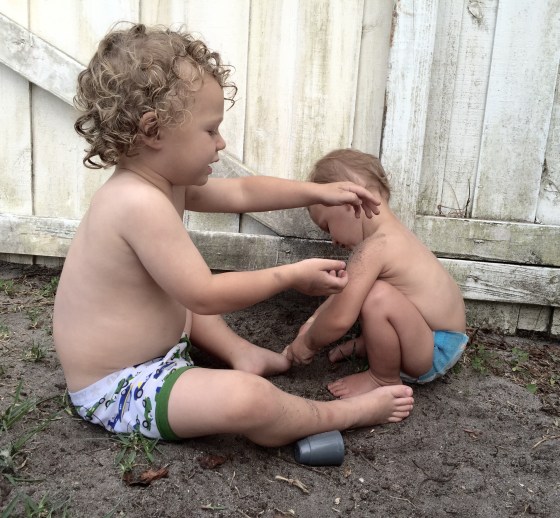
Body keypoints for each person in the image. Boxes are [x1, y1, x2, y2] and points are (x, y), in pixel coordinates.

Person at [53, 24, 414, 447]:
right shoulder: (136, 202)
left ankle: (239, 351)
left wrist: (317, 191)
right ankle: (347, 413)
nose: (221, 142)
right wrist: (290, 275)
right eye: (210, 130)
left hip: (161, 352)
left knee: (178, 290)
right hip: (122, 385)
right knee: (248, 399)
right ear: (153, 131)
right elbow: (204, 295)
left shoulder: (163, 184)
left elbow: (244, 192)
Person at [283, 149, 467, 398]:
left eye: (327, 226)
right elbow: (342, 294)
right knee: (367, 293)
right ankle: (373, 346)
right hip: (434, 337)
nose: (332, 240)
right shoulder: (394, 237)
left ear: (351, 202)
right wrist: (312, 323)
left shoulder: (375, 248)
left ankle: (382, 378)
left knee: (377, 297)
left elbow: (340, 317)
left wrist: (307, 343)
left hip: (433, 348)